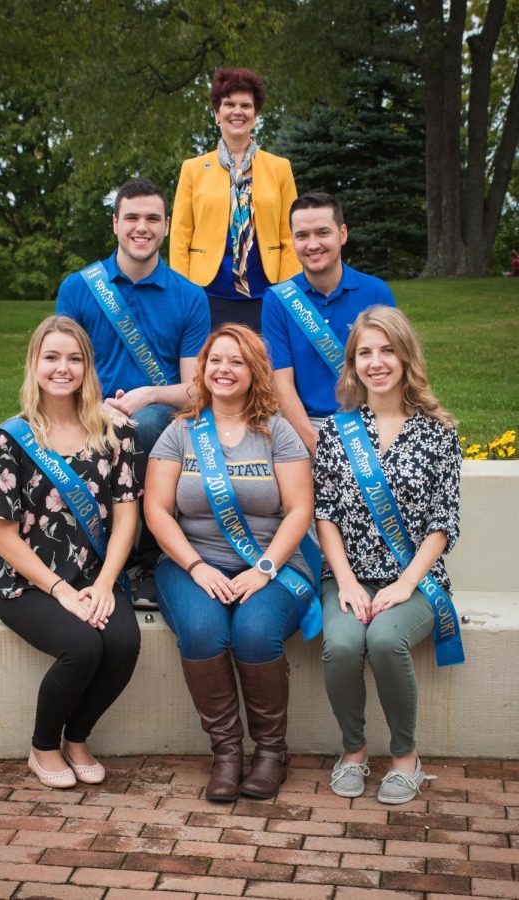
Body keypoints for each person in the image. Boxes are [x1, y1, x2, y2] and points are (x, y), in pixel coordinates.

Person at [0, 316, 144, 788]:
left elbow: (126, 516)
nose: (62, 368)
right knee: (83, 647)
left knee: (124, 644)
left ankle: (78, 738)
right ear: (35, 363)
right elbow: (4, 537)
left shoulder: (117, 434)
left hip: (96, 577)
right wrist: (62, 591)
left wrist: (105, 583)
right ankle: (44, 746)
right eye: (51, 357)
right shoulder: (9, 438)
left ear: (88, 366)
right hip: (27, 585)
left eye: (74, 358)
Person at [144, 323, 316, 801]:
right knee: (201, 631)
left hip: (272, 563)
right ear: (203, 369)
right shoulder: (181, 430)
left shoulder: (277, 431)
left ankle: (270, 753)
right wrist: (197, 567)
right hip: (190, 563)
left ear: (254, 371)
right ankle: (226, 754)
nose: (224, 369)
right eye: (216, 360)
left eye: (236, 361)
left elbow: (300, 510)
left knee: (254, 633)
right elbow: (157, 510)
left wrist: (263, 571)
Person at [313, 306, 462, 804]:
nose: (376, 362)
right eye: (365, 353)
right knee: (341, 642)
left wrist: (404, 584)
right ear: (353, 363)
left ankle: (404, 759)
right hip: (348, 577)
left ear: (405, 356)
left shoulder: (438, 432)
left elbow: (444, 522)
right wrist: (348, 582)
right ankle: (353, 752)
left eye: (386, 350)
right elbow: (325, 515)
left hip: (416, 580)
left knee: (383, 639)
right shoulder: (336, 432)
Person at [57, 177, 210, 600]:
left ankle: (143, 558)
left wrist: (150, 395)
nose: (141, 227)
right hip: (85, 411)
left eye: (152, 219)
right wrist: (95, 406)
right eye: (132, 218)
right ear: (115, 224)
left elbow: (196, 391)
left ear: (165, 227)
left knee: (142, 426)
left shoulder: (190, 296)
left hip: (160, 420)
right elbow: (60, 369)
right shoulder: (79, 287)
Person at [262, 192, 396, 457]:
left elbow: (391, 372)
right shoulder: (277, 300)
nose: (312, 244)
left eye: (322, 233)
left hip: (366, 421)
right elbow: (281, 384)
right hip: (302, 425)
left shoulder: (376, 293)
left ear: (342, 234)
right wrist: (315, 444)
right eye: (302, 235)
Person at [170, 67, 299, 332]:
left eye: (245, 105)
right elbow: (181, 236)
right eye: (229, 104)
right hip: (207, 294)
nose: (237, 111)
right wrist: (183, 292)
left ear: (256, 114)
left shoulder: (280, 168)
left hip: (267, 294)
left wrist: (288, 292)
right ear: (217, 113)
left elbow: (290, 235)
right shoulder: (192, 169)